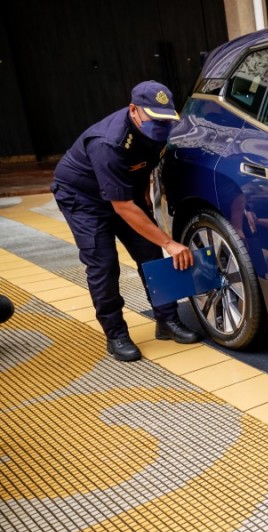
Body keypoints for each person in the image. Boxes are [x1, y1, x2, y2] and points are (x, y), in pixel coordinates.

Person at [51, 81, 199, 361]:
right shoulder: (108, 142)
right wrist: (169, 242)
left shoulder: (159, 128)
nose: (161, 126)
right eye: (154, 119)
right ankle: (116, 334)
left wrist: (145, 203)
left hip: (124, 191)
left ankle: (167, 321)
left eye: (165, 119)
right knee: (104, 264)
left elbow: (144, 168)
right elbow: (122, 207)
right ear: (133, 110)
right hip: (84, 198)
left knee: (150, 254)